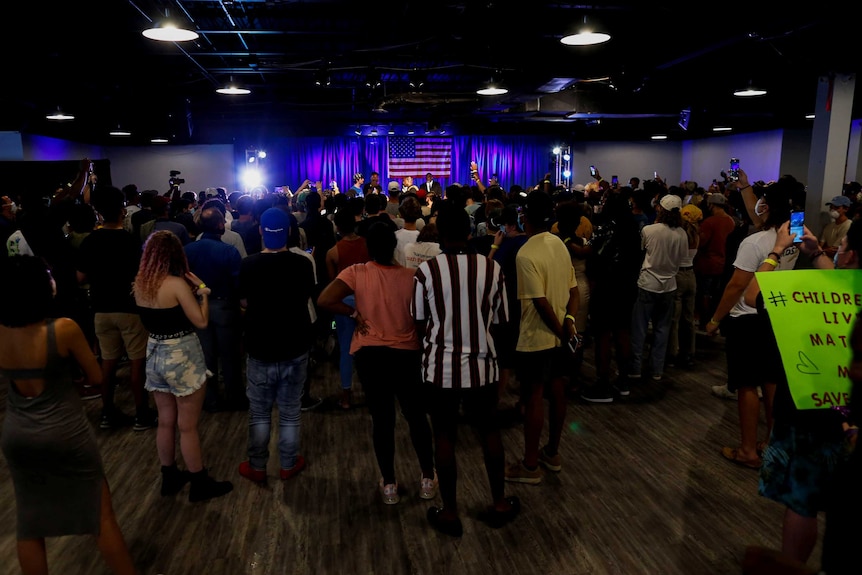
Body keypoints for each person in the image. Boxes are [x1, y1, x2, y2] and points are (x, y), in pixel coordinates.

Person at [0, 256, 136, 575]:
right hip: (65, 430)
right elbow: (96, 377)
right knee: (100, 518)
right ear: (42, 288)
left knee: (30, 524)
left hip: (17, 433)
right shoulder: (63, 328)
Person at [743, 219, 857, 566]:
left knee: (802, 502)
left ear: (849, 255)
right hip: (852, 416)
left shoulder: (808, 296)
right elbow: (843, 281)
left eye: (842, 246)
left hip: (813, 413)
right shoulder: (846, 288)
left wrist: (777, 251)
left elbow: (753, 295)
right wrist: (818, 254)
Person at [413, 200, 519, 537]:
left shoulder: (426, 272)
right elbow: (502, 324)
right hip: (483, 366)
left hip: (439, 368)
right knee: (489, 432)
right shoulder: (491, 269)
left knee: (444, 435)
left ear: (441, 234)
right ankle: (500, 502)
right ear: (470, 232)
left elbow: (418, 323)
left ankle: (450, 511)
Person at [318, 221, 437, 504]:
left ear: (368, 248)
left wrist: (351, 312)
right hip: (407, 354)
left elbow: (325, 299)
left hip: (371, 355)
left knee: (382, 420)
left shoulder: (356, 273)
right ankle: (428, 478)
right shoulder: (413, 276)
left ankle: (389, 484)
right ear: (394, 247)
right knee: (417, 417)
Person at [705, 173, 802, 469]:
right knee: (772, 384)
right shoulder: (797, 236)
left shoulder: (754, 242)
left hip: (748, 319)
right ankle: (772, 445)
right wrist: (745, 187)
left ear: (768, 207)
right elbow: (756, 213)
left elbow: (737, 286)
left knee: (747, 385)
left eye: (762, 201)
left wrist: (714, 318)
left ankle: (748, 450)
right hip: (779, 317)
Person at [133, 231, 234, 502]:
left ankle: (170, 476)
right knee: (187, 426)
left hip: (154, 352)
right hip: (182, 354)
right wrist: (202, 293)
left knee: (165, 421)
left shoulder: (141, 284)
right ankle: (199, 483)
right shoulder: (177, 284)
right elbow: (200, 322)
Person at [504, 190, 579, 485]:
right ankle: (553, 453)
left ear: (525, 217)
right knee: (558, 392)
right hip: (561, 334)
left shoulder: (525, 253)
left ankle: (531, 464)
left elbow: (538, 302)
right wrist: (569, 325)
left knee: (533, 396)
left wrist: (561, 331)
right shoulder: (559, 244)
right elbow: (573, 291)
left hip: (537, 336)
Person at [237, 208, 316, 483]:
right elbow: (307, 295)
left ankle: (257, 465)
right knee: (290, 409)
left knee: (259, 412)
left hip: (260, 345)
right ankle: (288, 463)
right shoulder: (303, 264)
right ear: (290, 232)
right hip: (295, 343)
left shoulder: (248, 265)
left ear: (261, 231)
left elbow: (243, 302)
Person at [77, 186, 157, 431]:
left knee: (108, 362)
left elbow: (79, 277)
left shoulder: (90, 241)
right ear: (122, 211)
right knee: (136, 362)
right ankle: (141, 414)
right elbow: (143, 275)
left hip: (100, 307)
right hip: (129, 307)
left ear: (99, 213)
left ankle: (107, 413)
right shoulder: (131, 241)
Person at [183, 206, 244, 412]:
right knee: (230, 356)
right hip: (225, 305)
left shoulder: (188, 250)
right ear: (220, 225)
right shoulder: (229, 251)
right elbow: (238, 283)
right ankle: (235, 398)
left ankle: (210, 401)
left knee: (204, 356)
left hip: (197, 306)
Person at [626, 193, 689, 386]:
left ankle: (635, 369)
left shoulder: (649, 230)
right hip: (669, 284)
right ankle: (657, 370)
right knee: (663, 330)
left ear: (660, 209)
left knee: (639, 328)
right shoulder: (682, 234)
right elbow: (682, 260)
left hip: (648, 282)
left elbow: (641, 251)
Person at [324, 209, 370, 409]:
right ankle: (371, 394)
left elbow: (333, 284)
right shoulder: (368, 245)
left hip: (344, 303)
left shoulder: (333, 253)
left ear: (337, 227)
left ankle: (346, 397)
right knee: (369, 349)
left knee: (346, 350)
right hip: (368, 300)